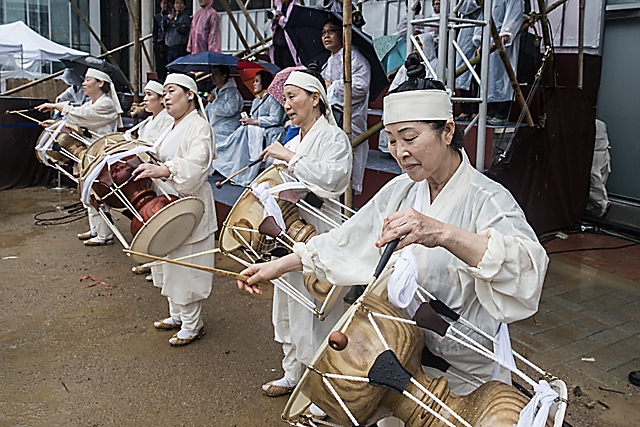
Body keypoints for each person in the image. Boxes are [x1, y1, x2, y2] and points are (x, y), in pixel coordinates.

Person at [239, 56, 547, 403]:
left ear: (447, 131)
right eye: (390, 140)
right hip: (400, 354)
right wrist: (278, 266)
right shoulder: (401, 190)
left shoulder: (487, 198)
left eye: (409, 138)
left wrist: (442, 233)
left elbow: (526, 269)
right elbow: (349, 240)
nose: (399, 152)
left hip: (465, 372)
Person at [252, 66, 352, 399]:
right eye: (284, 101)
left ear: (315, 98)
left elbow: (334, 179)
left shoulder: (334, 138)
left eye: (293, 97)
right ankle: (293, 372)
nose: (288, 105)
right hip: (289, 235)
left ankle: (321, 389)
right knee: (289, 306)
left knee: (317, 310)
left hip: (319, 233)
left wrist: (290, 159)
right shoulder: (295, 139)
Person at [133, 73, 217, 346]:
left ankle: (194, 325)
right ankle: (177, 315)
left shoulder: (199, 126)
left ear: (190, 94)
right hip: (166, 202)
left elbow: (198, 162)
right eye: (165, 93)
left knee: (186, 264)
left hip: (189, 203)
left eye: (172, 91)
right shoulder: (168, 124)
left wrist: (167, 169)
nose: (166, 97)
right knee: (168, 259)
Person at [36, 68, 123, 247]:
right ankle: (96, 229)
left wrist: (56, 106)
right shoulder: (90, 103)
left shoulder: (106, 104)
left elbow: (83, 117)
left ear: (100, 83)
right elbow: (76, 120)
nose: (83, 83)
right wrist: (54, 123)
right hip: (88, 154)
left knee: (97, 194)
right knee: (87, 193)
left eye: (88, 80)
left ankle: (105, 234)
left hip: (99, 154)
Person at [320, 17, 371, 195]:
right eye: (323, 32)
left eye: (331, 31)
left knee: (347, 170)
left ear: (343, 34)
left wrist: (332, 86)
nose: (326, 36)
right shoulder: (330, 59)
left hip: (350, 119)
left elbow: (360, 87)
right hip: (332, 119)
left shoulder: (353, 57)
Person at [215, 70, 286, 186]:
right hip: (256, 131)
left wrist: (255, 122)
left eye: (257, 81)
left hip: (272, 133)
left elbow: (275, 119)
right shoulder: (257, 100)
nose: (254, 84)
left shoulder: (272, 99)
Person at [474, 0, 524, 126]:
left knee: (504, 76)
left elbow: (515, 13)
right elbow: (484, 16)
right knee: (489, 77)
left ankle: (501, 113)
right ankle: (490, 112)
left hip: (503, 39)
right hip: (489, 38)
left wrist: (507, 31)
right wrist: (480, 40)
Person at [207, 65, 244, 172]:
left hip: (227, 129)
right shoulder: (215, 92)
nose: (212, 77)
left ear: (224, 76)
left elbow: (230, 110)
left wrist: (214, 101)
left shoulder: (232, 92)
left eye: (215, 74)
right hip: (215, 126)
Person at [455, 0, 481, 121]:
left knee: (478, 73)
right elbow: (463, 8)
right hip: (466, 29)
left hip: (481, 27)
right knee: (463, 73)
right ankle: (465, 109)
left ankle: (476, 110)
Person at [587, 119, 612, 218]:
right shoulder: (601, 123)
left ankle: (602, 203)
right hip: (604, 153)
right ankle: (591, 207)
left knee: (593, 180)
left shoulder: (587, 123)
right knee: (601, 179)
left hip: (596, 153)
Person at [269, 0, 299, 69]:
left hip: (289, 48)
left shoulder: (296, 8)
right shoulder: (279, 8)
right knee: (277, 70)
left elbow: (292, 25)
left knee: (288, 71)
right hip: (277, 47)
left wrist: (281, 19)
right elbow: (273, 27)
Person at [165, 0, 191, 65]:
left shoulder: (185, 17)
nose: (179, 5)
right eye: (177, 3)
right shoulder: (170, 15)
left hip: (180, 46)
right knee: (170, 68)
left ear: (184, 6)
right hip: (170, 46)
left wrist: (174, 21)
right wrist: (166, 20)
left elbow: (183, 29)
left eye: (181, 3)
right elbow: (164, 28)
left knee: (179, 67)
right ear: (174, 5)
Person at [153, 0, 172, 81]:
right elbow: (155, 31)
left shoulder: (172, 16)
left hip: (169, 43)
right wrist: (155, 43)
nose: (165, 5)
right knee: (160, 66)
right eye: (164, 3)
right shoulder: (157, 17)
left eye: (167, 3)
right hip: (160, 43)